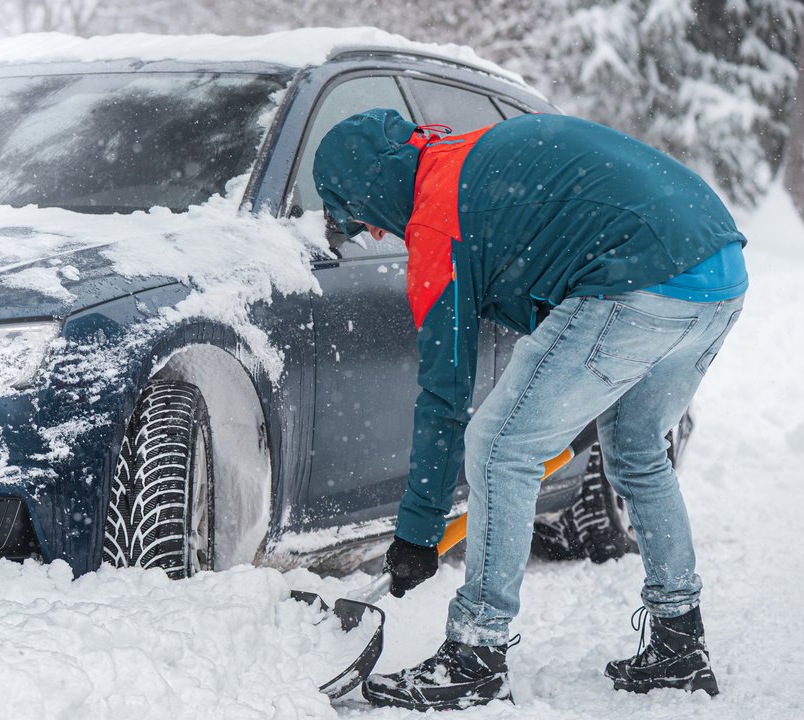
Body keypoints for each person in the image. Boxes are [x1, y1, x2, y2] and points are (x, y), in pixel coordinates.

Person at [312, 109, 747, 710]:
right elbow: (552, 249)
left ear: (368, 190)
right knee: (638, 450)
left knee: (499, 447)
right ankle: (679, 640)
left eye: (360, 221)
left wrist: (417, 533)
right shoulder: (464, 159)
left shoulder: (438, 221)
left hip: (638, 278)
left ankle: (476, 655)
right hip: (718, 269)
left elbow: (445, 396)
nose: (376, 235)